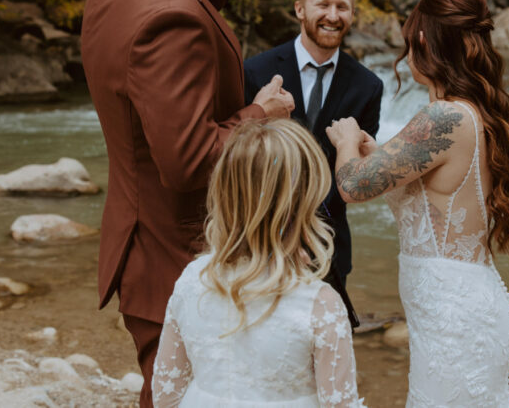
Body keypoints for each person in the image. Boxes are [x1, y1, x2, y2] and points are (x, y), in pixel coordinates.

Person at [81, 0, 294, 408]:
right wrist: (260, 115)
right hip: (175, 254)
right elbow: (189, 160)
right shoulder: (166, 15)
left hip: (142, 237)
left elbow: (171, 36)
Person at [325, 0, 509, 407]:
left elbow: (353, 186)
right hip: (456, 310)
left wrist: (344, 139)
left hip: (452, 319)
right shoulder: (472, 111)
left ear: (423, 42)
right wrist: (375, 154)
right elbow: (425, 186)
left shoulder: (444, 116)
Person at [151, 118, 364, 407]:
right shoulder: (320, 303)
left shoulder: (193, 279)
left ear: (225, 193)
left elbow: (166, 395)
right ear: (303, 204)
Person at [244, 0, 383, 321]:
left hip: (330, 249)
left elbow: (360, 173)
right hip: (260, 243)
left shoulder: (368, 86)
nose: (333, 16)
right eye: (323, 5)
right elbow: (236, 157)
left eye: (343, 7)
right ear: (300, 9)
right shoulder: (255, 71)